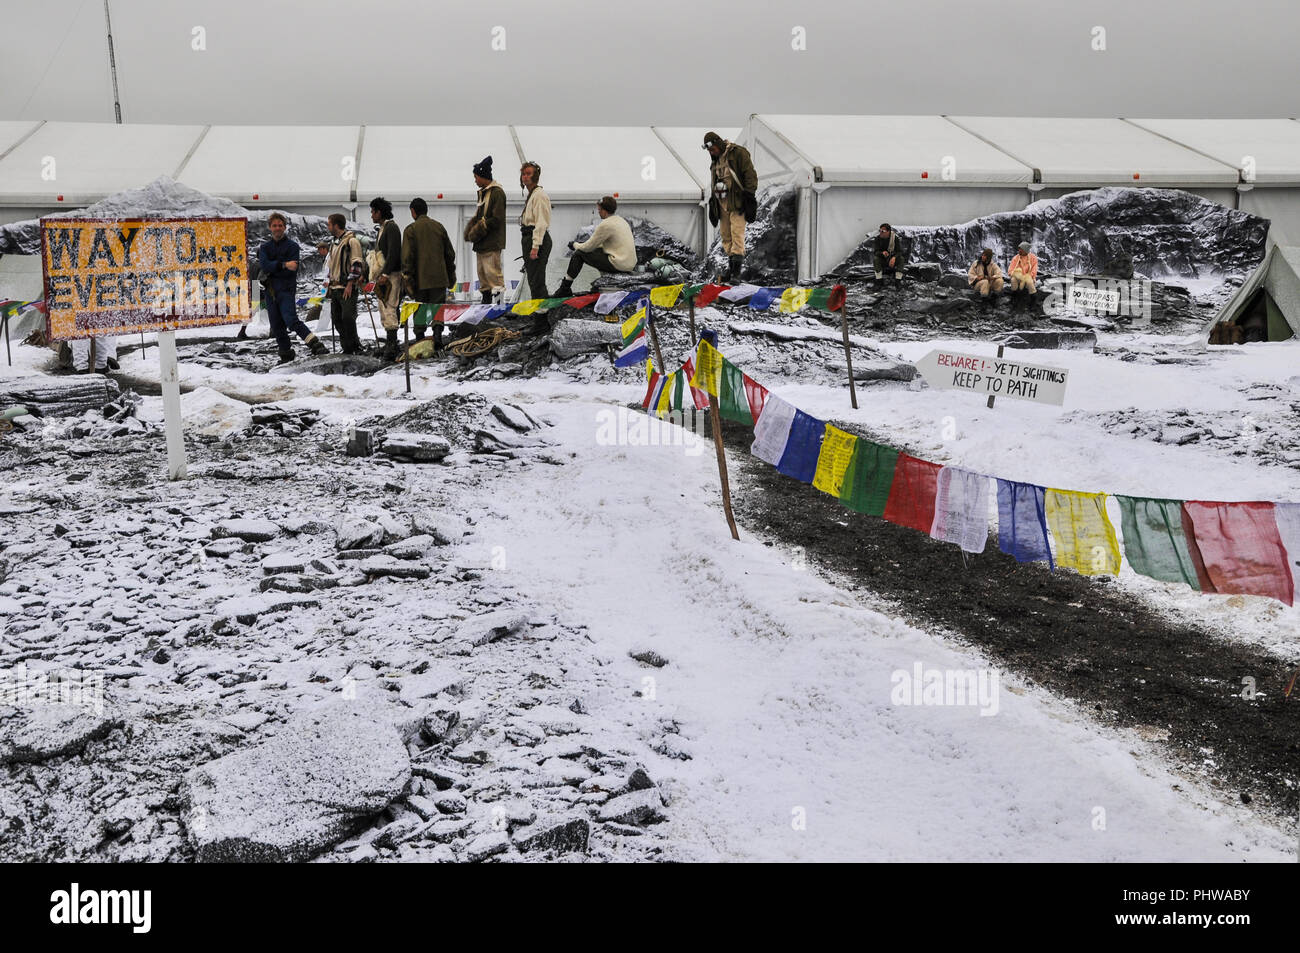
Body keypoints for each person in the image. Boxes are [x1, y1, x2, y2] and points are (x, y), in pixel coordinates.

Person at [257, 211, 326, 363]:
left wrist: (274, 267)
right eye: (274, 225)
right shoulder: (265, 247)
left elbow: (292, 268)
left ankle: (315, 344)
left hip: (286, 289)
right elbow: (264, 265)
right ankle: (286, 354)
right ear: (270, 227)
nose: (277, 228)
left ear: (285, 227)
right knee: (276, 325)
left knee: (291, 320)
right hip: (270, 291)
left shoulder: (292, 246)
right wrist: (283, 264)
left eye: (280, 225)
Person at [402, 197, 457, 352]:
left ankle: (420, 339)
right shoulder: (439, 227)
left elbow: (407, 257)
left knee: (420, 308)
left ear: (413, 212)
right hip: (439, 277)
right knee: (437, 307)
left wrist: (408, 277)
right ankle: (438, 336)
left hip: (419, 279)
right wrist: (451, 276)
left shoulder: (410, 230)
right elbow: (449, 254)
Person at [554, 196, 636, 297]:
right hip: (629, 263)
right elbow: (601, 244)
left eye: (599, 209)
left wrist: (575, 245)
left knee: (579, 254)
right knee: (597, 252)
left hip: (619, 264)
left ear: (604, 211)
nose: (598, 212)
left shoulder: (606, 224)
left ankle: (564, 288)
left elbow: (588, 247)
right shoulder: (621, 221)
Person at [704, 131, 758, 283]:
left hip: (738, 203)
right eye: (709, 151)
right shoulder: (715, 161)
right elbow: (715, 182)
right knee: (726, 236)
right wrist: (712, 203)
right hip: (722, 204)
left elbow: (750, 175)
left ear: (718, 143)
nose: (711, 152)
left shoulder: (738, 153)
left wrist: (749, 196)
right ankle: (731, 268)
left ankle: (736, 274)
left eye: (712, 149)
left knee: (737, 234)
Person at [465, 156, 507, 304]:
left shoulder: (497, 193)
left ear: (483, 176)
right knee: (483, 275)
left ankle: (499, 308)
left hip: (491, 243)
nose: (475, 180)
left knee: (494, 276)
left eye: (476, 177)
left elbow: (497, 218)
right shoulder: (484, 193)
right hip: (482, 244)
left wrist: (479, 228)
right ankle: (486, 302)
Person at [322, 213, 365, 354]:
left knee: (348, 317)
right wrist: (329, 282)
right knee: (337, 319)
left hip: (346, 287)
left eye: (329, 224)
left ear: (336, 225)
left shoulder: (351, 242)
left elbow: (356, 262)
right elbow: (331, 265)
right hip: (335, 287)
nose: (328, 227)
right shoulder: (335, 243)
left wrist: (350, 284)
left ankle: (355, 346)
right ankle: (346, 347)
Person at [369, 197, 403, 361]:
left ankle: (392, 344)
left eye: (373, 212)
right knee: (384, 307)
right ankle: (390, 342)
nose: (371, 215)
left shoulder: (392, 228)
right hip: (385, 276)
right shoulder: (383, 228)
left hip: (391, 276)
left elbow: (394, 253)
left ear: (379, 212)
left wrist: (385, 274)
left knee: (390, 306)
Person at [519, 161, 551, 300]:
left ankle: (541, 318)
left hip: (536, 238)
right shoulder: (532, 194)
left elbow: (541, 223)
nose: (525, 177)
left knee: (537, 281)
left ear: (535, 176)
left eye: (528, 174)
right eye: (523, 174)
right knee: (533, 280)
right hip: (529, 236)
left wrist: (535, 246)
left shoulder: (539, 195)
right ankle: (538, 314)